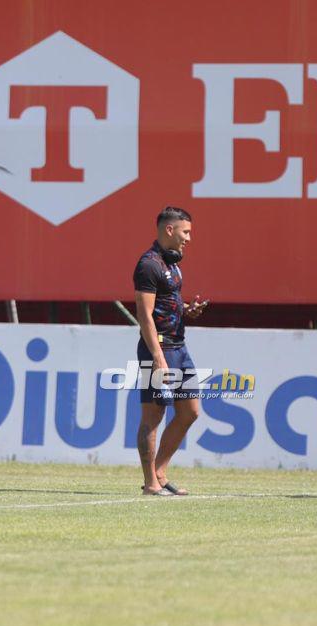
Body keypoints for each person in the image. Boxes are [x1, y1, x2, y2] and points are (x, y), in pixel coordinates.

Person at [132, 206, 208, 496]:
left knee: (190, 411)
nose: (189, 238)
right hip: (159, 350)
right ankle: (151, 482)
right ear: (169, 229)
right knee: (153, 417)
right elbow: (145, 315)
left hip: (180, 346)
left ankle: (160, 471)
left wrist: (187, 310)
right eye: (185, 232)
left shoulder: (173, 264)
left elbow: (166, 305)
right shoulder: (148, 264)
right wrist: (157, 357)